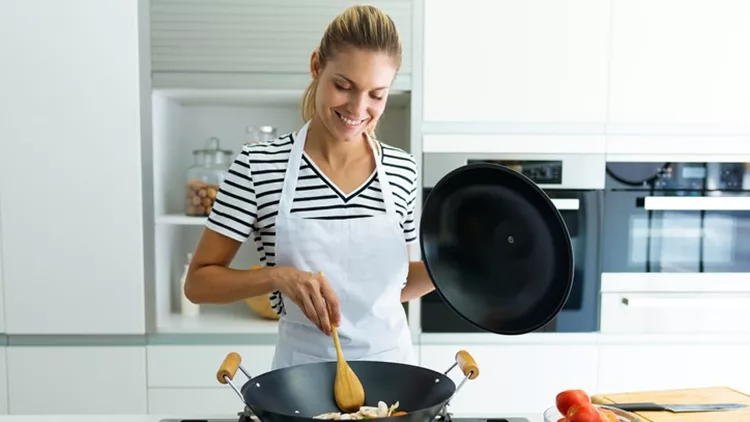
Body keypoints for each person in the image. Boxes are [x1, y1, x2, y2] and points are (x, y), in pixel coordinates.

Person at [184, 4, 434, 370]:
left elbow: (396, 285)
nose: (358, 108)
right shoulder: (259, 166)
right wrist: (277, 277)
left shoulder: (402, 170)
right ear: (317, 66)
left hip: (392, 373)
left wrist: (453, 270)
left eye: (376, 95)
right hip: (300, 378)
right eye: (343, 86)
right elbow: (199, 284)